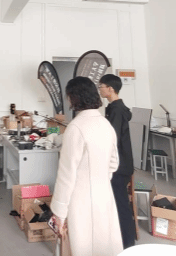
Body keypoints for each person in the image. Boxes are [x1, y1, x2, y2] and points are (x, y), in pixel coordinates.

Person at [50, 76, 123, 256]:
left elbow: (66, 174)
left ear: (74, 98)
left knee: (83, 245)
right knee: (104, 243)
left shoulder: (75, 128)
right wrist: (100, 178)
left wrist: (59, 211)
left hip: (80, 198)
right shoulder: (105, 124)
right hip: (104, 193)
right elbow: (114, 163)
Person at [98, 74, 135, 249]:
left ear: (110, 89)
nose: (100, 90)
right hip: (122, 162)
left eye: (101, 87)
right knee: (118, 202)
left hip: (119, 165)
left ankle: (127, 243)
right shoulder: (115, 107)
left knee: (121, 204)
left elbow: (112, 139)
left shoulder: (116, 110)